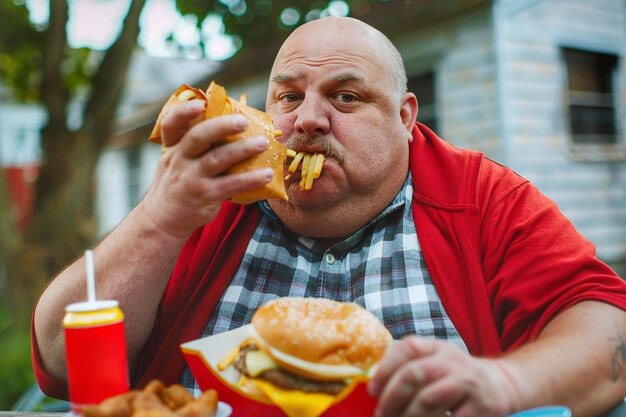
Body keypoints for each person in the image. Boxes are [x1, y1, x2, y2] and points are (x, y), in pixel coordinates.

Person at [32, 16, 626, 417]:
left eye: (345, 96)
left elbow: (609, 335)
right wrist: (159, 220)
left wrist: (506, 383)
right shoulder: (203, 201)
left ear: (405, 116)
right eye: (288, 96)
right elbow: (59, 364)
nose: (307, 120)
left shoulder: (481, 194)